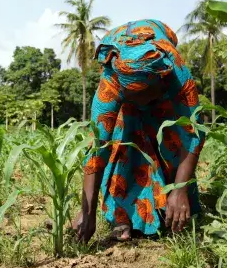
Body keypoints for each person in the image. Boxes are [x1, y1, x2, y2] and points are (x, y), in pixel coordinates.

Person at [72, 19, 205, 242]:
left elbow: (194, 132)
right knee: (123, 138)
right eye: (137, 96)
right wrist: (87, 212)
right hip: (129, 96)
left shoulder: (175, 72)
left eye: (149, 93)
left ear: (160, 80)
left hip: (164, 90)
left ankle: (174, 205)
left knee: (172, 138)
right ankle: (123, 215)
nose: (145, 102)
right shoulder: (111, 85)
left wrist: (180, 189)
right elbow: (97, 152)